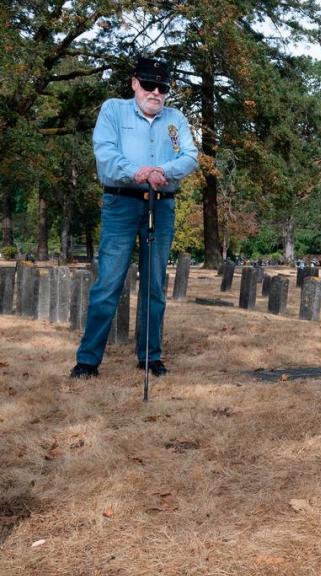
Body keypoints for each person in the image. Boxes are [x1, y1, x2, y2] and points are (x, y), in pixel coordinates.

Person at [70, 56, 198, 379]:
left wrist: (160, 172)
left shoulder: (176, 120)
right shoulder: (113, 110)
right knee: (109, 282)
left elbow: (190, 156)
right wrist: (137, 172)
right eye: (148, 84)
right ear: (134, 83)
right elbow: (106, 155)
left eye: (162, 87)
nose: (155, 92)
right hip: (121, 204)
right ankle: (87, 361)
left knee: (154, 284)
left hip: (162, 204)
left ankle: (150, 356)